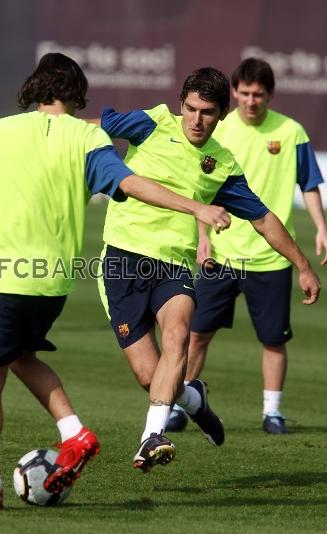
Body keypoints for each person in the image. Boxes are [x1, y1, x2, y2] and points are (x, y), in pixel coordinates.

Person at [0, 53, 235, 510]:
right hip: (54, 281)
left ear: (33, 88)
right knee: (28, 356)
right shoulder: (87, 137)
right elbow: (131, 182)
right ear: (77, 94)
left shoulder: (1, 131)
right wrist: (194, 207)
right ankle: (170, 405)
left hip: (2, 271)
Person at [89, 66, 321, 473]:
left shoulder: (223, 164)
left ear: (221, 113)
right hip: (122, 261)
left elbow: (263, 219)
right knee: (151, 377)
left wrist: (302, 264)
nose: (197, 120)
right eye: (191, 109)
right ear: (181, 105)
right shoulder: (152, 122)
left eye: (208, 112)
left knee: (179, 334)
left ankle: (151, 437)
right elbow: (96, 125)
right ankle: (194, 399)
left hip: (174, 266)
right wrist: (49, 129)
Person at [167, 58, 326, 435]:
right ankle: (179, 402)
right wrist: (202, 237)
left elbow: (308, 183)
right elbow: (198, 189)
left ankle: (272, 412)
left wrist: (321, 226)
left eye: (259, 94)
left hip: (270, 259)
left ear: (269, 95)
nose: (251, 100)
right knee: (197, 334)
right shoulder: (216, 130)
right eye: (245, 93)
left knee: (272, 339)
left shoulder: (291, 132)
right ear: (234, 93)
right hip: (220, 256)